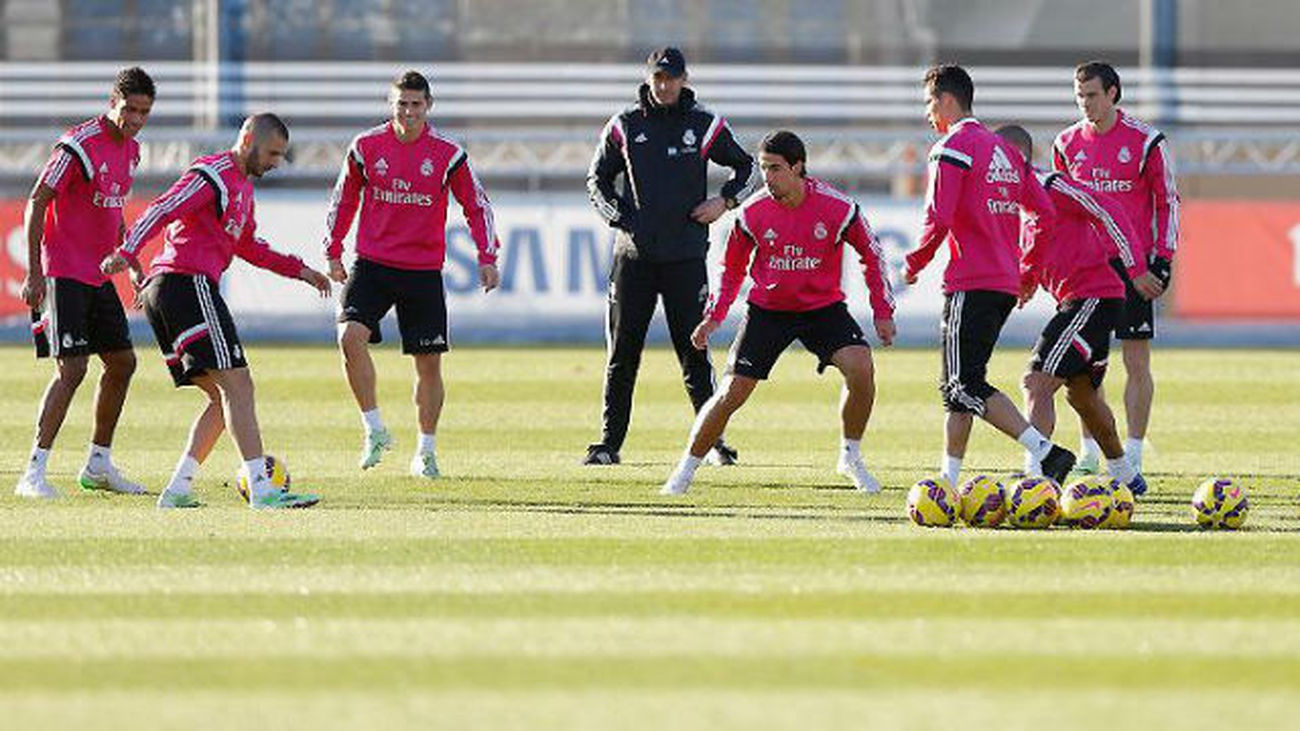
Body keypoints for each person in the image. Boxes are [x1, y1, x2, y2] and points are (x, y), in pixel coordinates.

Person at [102, 113, 331, 509]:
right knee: (240, 386)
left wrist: (301, 270)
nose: (276, 162)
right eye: (273, 153)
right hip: (185, 284)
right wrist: (127, 251)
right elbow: (163, 208)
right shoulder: (214, 174)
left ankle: (176, 490)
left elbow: (249, 247)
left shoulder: (241, 189)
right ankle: (262, 490)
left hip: (174, 290)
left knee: (222, 399)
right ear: (247, 139)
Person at [660, 130, 895, 496]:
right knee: (731, 392)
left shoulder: (838, 208)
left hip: (822, 308)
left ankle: (850, 456)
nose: (766, 177)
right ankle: (684, 471)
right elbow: (731, 267)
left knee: (861, 367)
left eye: (774, 168)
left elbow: (872, 253)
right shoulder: (752, 212)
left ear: (798, 167)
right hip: (768, 310)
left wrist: (882, 309)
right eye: (762, 168)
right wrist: (715, 315)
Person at [903, 64, 1076, 489]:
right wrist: (1027, 271)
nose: (928, 112)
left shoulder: (952, 147)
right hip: (1001, 282)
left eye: (929, 102)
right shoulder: (1003, 151)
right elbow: (1045, 214)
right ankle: (948, 477)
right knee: (958, 386)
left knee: (963, 385)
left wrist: (913, 263)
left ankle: (1046, 451)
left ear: (946, 100)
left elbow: (938, 216)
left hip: (971, 281)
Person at [324, 70, 500, 479]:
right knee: (349, 337)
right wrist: (332, 250)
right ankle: (374, 429)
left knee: (428, 366)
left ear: (428, 106)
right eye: (401, 103)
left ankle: (425, 452)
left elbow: (477, 205)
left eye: (415, 104)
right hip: (372, 263)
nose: (408, 111)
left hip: (422, 270)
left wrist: (487, 254)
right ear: (391, 105)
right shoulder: (366, 147)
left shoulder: (447, 153)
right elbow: (344, 199)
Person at [586, 46, 757, 467]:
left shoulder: (703, 124)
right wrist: (621, 217)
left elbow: (748, 169)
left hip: (684, 257)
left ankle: (712, 443)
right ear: (648, 79)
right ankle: (609, 444)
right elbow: (597, 179)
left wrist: (725, 202)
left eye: (671, 78)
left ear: (683, 79)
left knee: (695, 352)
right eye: (657, 78)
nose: (664, 85)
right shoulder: (625, 125)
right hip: (633, 259)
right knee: (623, 354)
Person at [996, 124, 1162, 497]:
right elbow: (1040, 250)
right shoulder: (1014, 204)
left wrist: (1135, 268)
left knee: (1036, 381)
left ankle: (1037, 478)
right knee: (1082, 395)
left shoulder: (1052, 184)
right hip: (1082, 300)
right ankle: (1125, 474)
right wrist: (1025, 281)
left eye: (1000, 160)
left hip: (1092, 297)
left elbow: (1109, 208)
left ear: (1019, 158)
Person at [15, 67, 156, 500]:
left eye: (143, 112)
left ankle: (98, 464)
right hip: (62, 272)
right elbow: (37, 201)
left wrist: (130, 262)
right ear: (112, 102)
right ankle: (32, 473)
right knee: (72, 368)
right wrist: (35, 273)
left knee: (122, 362)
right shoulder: (78, 146)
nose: (134, 118)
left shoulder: (132, 151)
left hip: (97, 275)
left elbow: (112, 213)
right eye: (128, 109)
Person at [1053, 61, 1179, 474]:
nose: (1085, 103)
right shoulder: (1067, 143)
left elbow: (1167, 202)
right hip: (1086, 269)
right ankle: (1090, 449)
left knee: (1136, 361)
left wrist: (1162, 259)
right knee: (1085, 363)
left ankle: (1135, 450)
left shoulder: (1146, 142)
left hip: (1133, 267)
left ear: (1112, 94)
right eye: (1079, 96)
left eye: (1092, 95)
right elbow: (1060, 207)